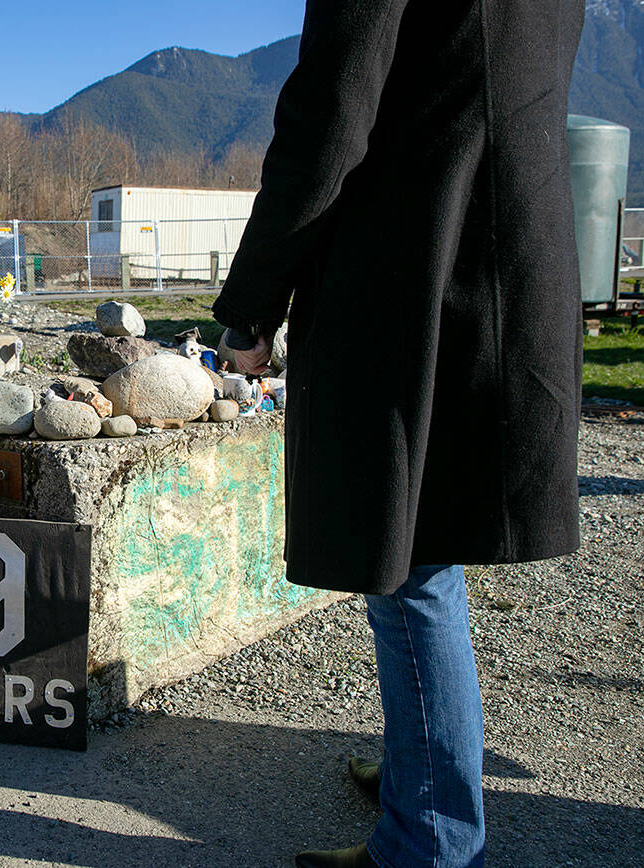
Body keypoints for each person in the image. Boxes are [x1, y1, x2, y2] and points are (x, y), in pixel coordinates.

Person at [211, 1, 584, 866]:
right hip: (513, 254)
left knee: (408, 560)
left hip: (413, 274)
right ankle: (425, 771)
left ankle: (428, 840)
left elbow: (330, 119)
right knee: (432, 541)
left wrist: (252, 304)